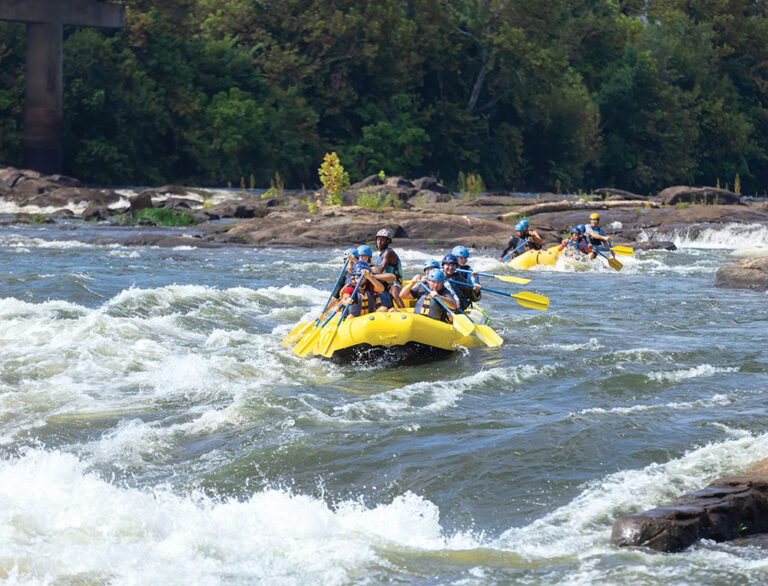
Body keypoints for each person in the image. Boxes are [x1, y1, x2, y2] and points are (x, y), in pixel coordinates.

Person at [371, 228, 404, 308]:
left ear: (388, 241)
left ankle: (404, 311)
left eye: (382, 240)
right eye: (378, 239)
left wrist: (370, 266)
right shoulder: (381, 255)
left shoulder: (389, 252)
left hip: (395, 280)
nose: (379, 242)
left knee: (395, 293)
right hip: (385, 281)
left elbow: (380, 269)